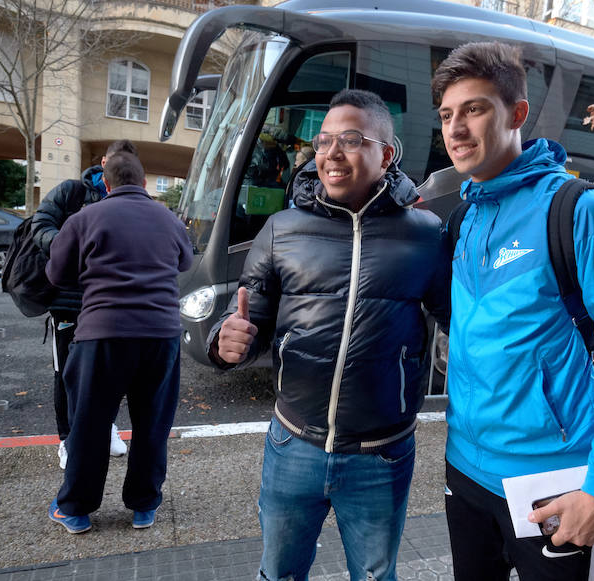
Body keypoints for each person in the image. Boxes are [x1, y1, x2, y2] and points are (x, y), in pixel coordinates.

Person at [431, 42, 594, 580]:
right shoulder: (464, 219)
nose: (456, 129)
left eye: (474, 109)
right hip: (465, 472)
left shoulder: (582, 212)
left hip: (552, 484)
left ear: (517, 113)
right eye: (447, 115)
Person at [209, 89, 450, 581]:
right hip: (293, 443)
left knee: (376, 576)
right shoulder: (281, 229)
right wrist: (225, 342)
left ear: (386, 154)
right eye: (323, 141)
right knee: (279, 573)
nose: (331, 153)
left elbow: (460, 324)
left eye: (351, 140)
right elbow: (249, 319)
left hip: (382, 453)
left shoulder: (426, 234)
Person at [45, 151, 193, 533]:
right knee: (152, 424)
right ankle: (144, 505)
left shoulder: (84, 219)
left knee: (89, 425)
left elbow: (56, 273)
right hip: (161, 335)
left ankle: (75, 509)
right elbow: (185, 263)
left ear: (106, 184)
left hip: (102, 334)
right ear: (144, 183)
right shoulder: (170, 219)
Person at [32, 140, 136, 469]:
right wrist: (73, 246)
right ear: (103, 162)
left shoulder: (131, 201)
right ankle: (67, 439)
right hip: (69, 302)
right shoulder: (72, 192)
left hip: (110, 304)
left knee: (109, 373)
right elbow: (40, 226)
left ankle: (105, 427)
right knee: (67, 373)